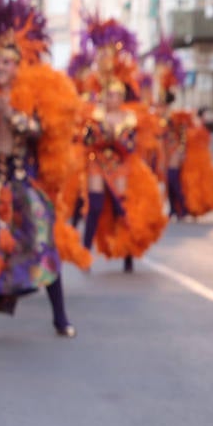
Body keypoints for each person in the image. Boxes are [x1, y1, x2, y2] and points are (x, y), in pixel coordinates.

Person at [0, 0, 88, 337]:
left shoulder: (29, 96)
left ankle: (60, 317)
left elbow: (39, 130)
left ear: (17, 67)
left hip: (22, 187)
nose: (0, 67)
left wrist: (11, 114)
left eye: (6, 62)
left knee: (44, 248)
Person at [74, 17, 167, 273]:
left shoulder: (130, 117)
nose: (113, 98)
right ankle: (84, 253)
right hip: (96, 163)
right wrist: (104, 137)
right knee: (93, 207)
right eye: (109, 94)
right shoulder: (93, 114)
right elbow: (87, 140)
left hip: (121, 166)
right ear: (103, 94)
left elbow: (130, 145)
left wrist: (115, 139)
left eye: (117, 94)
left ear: (122, 95)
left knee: (120, 208)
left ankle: (127, 251)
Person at [151, 37, 213, 223]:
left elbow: (182, 130)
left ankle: (181, 207)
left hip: (174, 149)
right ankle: (175, 209)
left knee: (174, 178)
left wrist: (181, 149)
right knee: (169, 179)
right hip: (165, 149)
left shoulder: (176, 113)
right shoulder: (159, 113)